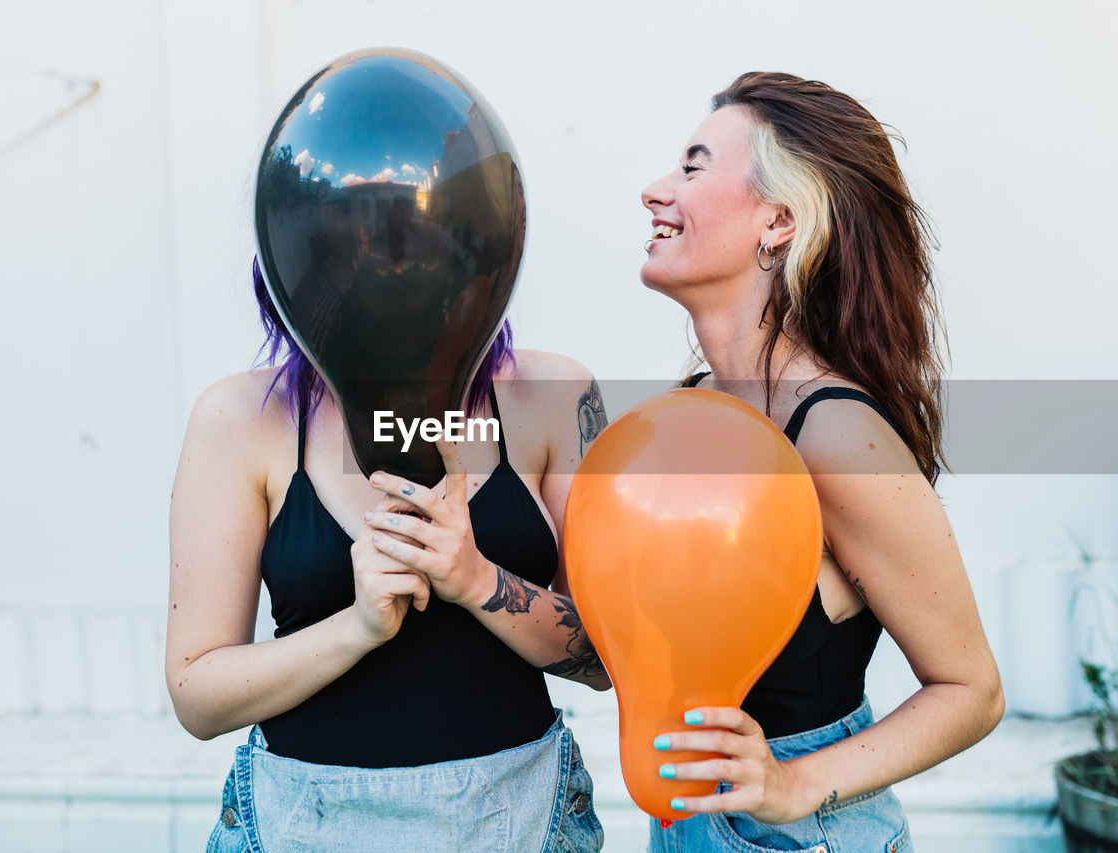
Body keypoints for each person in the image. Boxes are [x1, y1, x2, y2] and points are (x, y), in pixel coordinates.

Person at [640, 72, 1004, 852]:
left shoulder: (835, 435)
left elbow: (973, 690)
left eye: (694, 167)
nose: (655, 191)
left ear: (779, 222)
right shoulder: (693, 408)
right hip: (681, 823)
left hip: (804, 834)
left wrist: (793, 783)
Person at [166, 260, 610, 852]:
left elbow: (608, 660)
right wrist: (356, 628)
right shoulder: (240, 417)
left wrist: (478, 581)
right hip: (303, 824)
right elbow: (197, 695)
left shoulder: (552, 395)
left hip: (518, 820)